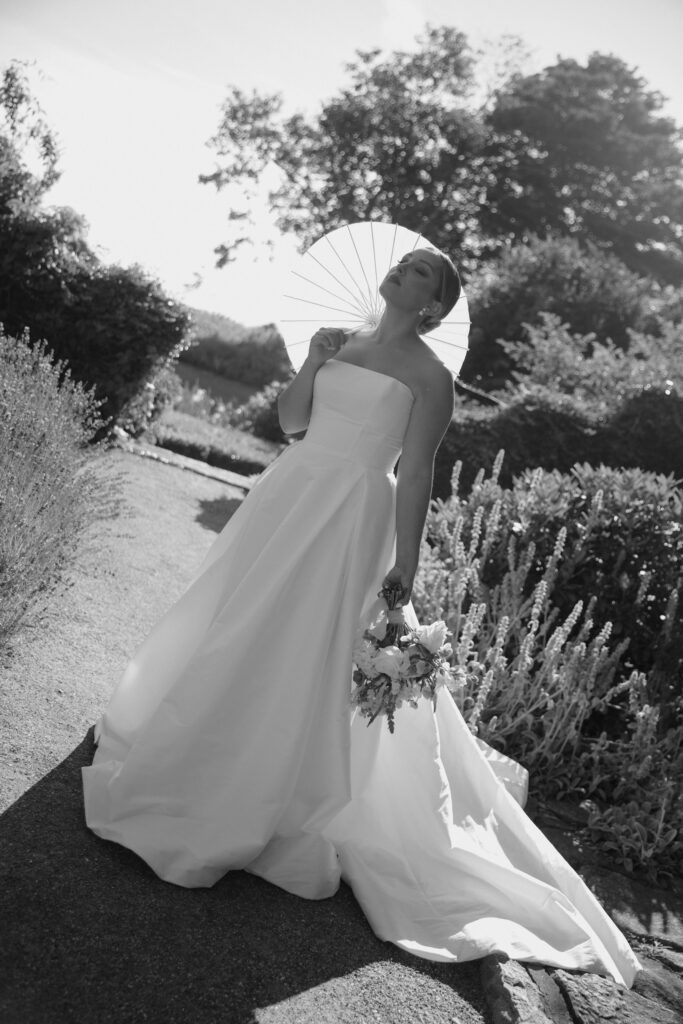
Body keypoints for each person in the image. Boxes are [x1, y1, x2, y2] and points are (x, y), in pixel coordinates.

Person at [82, 246, 640, 988]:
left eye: (419, 274)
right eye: (402, 265)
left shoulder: (430, 378)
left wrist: (404, 563)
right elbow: (290, 423)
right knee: (236, 621)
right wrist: (312, 363)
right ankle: (194, 748)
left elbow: (415, 471)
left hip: (352, 513)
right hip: (291, 491)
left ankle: (260, 790)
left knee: (299, 645)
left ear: (434, 305)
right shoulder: (340, 342)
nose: (401, 275)